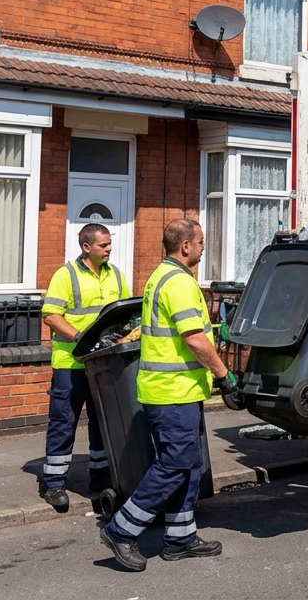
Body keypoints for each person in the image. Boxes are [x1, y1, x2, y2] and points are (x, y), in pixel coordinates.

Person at [100, 218, 238, 572]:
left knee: (189, 464)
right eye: (202, 241)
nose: (204, 247)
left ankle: (180, 536)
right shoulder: (178, 282)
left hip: (175, 390)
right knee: (175, 465)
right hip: (171, 393)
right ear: (185, 246)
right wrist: (225, 377)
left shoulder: (161, 275)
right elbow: (194, 338)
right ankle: (122, 529)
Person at [40, 223, 129, 512]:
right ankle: (53, 484)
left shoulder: (115, 274)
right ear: (86, 247)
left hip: (103, 360)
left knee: (102, 421)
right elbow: (52, 316)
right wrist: (82, 337)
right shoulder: (65, 275)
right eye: (103, 245)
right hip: (71, 363)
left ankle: (100, 477)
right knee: (64, 422)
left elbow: (124, 311)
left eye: (109, 244)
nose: (109, 249)